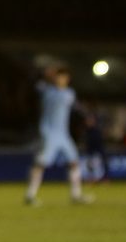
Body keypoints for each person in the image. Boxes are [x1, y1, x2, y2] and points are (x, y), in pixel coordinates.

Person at [23, 65, 93, 206]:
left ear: (67, 79)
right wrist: (44, 74)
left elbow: (76, 106)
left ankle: (76, 195)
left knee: (74, 162)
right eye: (58, 77)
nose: (60, 79)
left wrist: (87, 116)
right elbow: (32, 81)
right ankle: (30, 195)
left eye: (63, 77)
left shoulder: (69, 93)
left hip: (63, 134)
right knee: (41, 163)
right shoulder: (47, 90)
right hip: (49, 133)